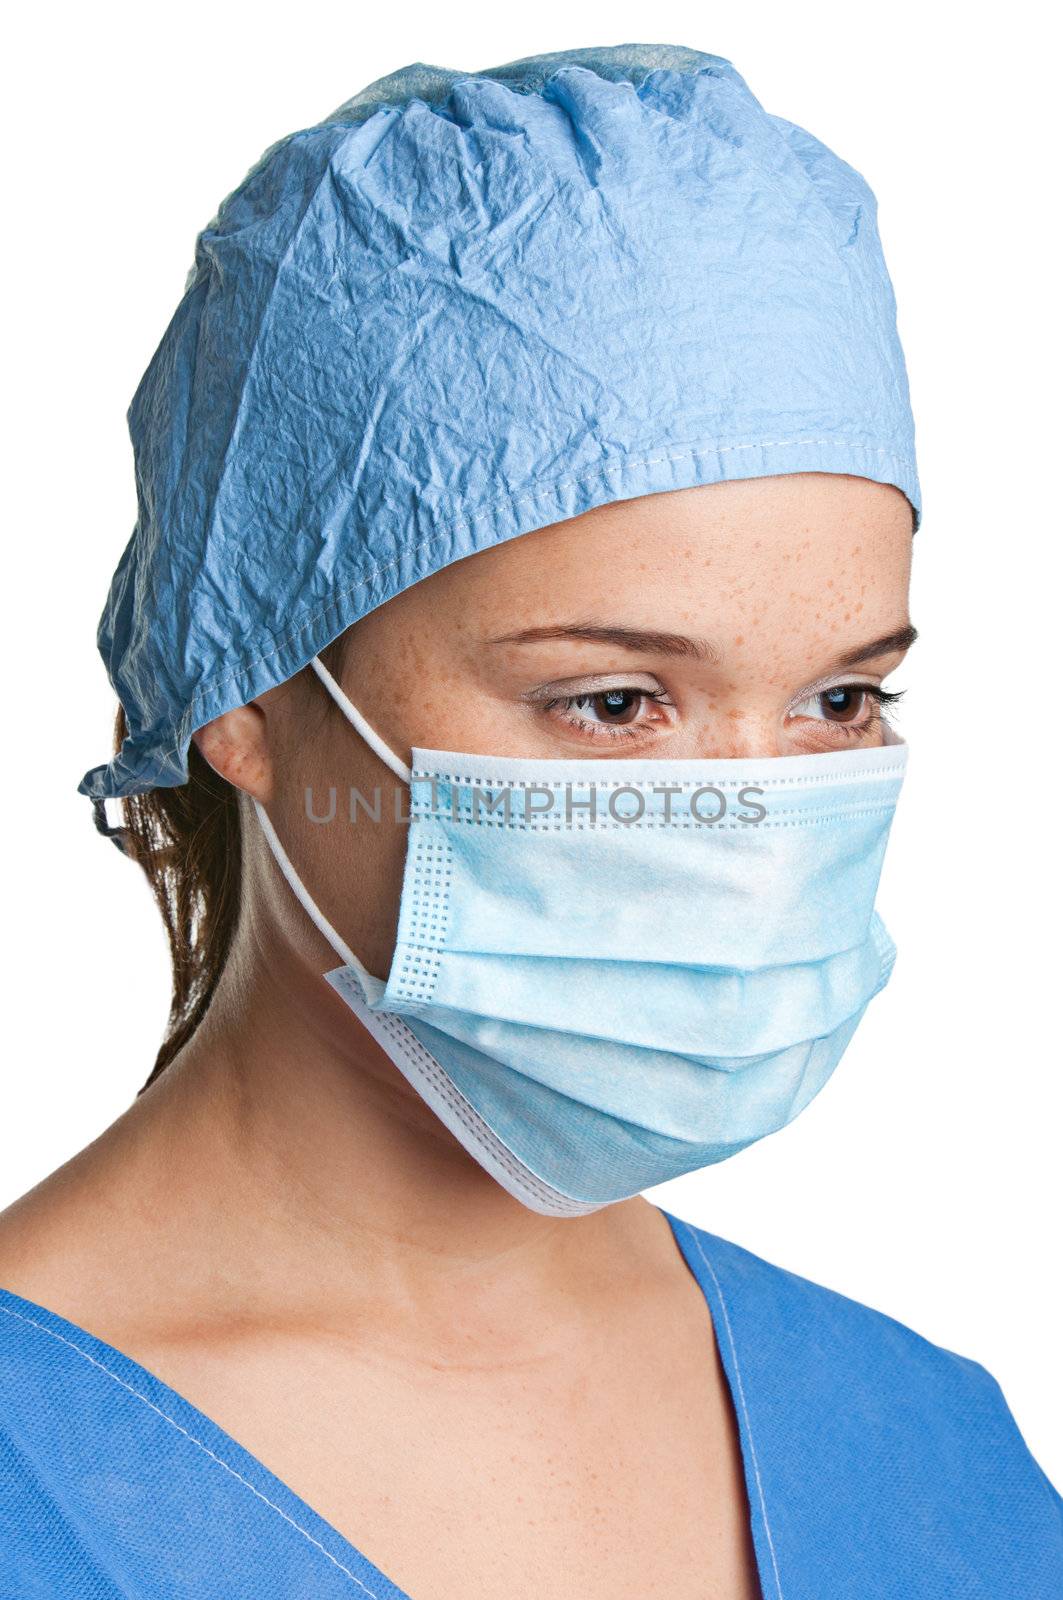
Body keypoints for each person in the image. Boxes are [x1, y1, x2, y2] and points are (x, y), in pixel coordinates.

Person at [1, 42, 1059, 1600]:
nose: (756, 826)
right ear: (250, 694)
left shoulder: (929, 1443)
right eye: (618, 703)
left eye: (840, 702)